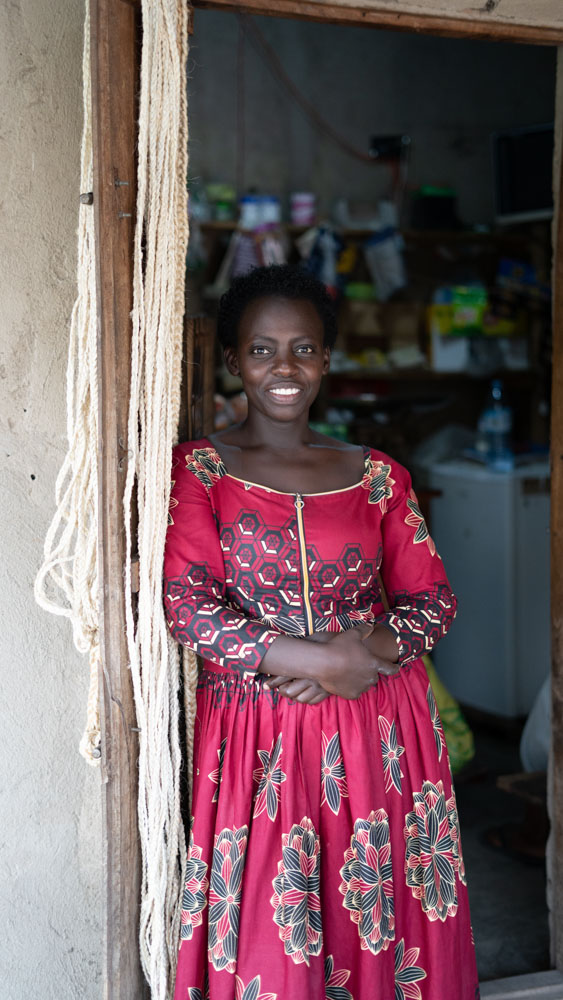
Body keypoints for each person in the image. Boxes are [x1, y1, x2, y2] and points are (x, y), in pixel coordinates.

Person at [164, 264, 479, 1000]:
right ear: (235, 361)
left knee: (379, 928)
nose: (284, 368)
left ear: (326, 360)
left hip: (377, 722)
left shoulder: (375, 476)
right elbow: (188, 603)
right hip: (257, 733)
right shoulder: (202, 472)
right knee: (274, 940)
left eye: (302, 348)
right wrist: (307, 657)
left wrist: (353, 656)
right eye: (262, 349)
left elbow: (432, 600)